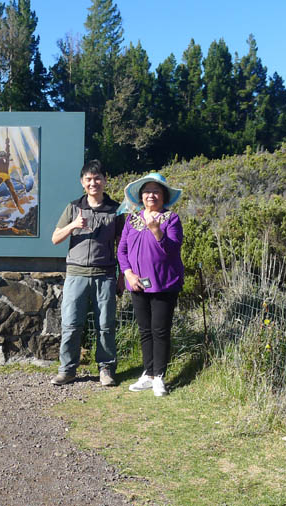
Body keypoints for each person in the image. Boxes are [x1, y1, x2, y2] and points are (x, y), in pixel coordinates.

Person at [50, 160, 124, 387]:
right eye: (89, 179)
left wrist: (122, 276)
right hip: (76, 274)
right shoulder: (73, 208)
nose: (94, 183)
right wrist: (73, 225)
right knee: (71, 324)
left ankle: (106, 369)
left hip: (105, 275)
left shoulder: (116, 210)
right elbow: (55, 239)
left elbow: (122, 245)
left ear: (105, 180)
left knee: (106, 325)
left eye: (98, 178)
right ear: (83, 183)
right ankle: (67, 370)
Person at [117, 172, 184, 397]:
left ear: (163, 196)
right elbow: (122, 249)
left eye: (156, 191)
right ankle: (148, 373)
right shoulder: (131, 219)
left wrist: (156, 230)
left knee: (160, 331)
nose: (151, 195)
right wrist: (128, 274)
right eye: (147, 191)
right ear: (140, 196)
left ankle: (159, 376)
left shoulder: (171, 219)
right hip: (137, 284)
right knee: (145, 330)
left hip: (165, 284)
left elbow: (173, 250)